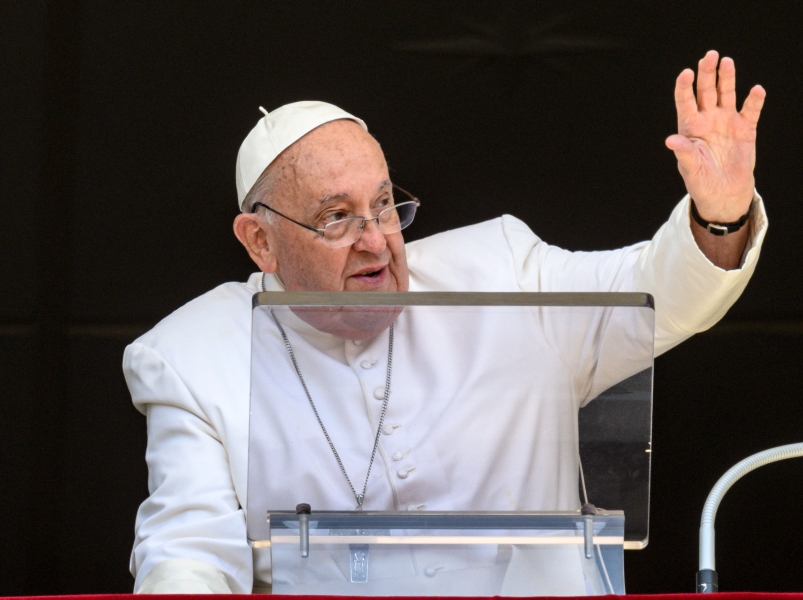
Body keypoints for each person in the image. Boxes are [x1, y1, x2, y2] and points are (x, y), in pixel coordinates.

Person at [124, 50, 769, 593]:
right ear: (259, 242)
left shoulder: (501, 269)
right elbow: (187, 553)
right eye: (336, 218)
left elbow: (656, 293)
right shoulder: (192, 356)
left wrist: (722, 213)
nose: (376, 241)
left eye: (383, 205)